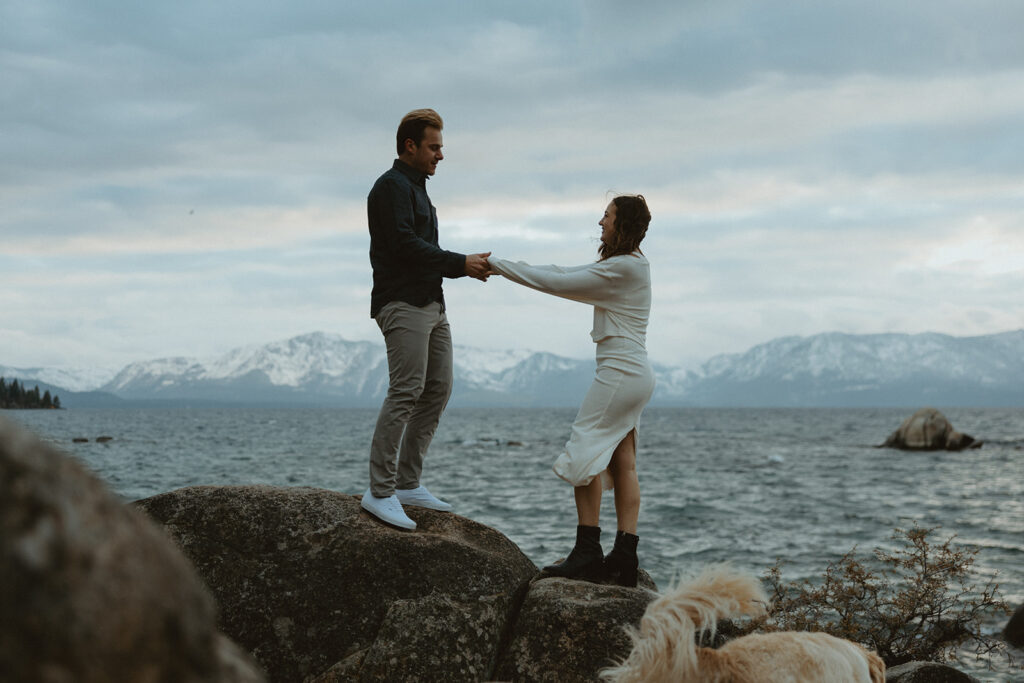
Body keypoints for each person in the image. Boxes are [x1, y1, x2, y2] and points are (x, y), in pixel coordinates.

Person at [487, 195, 654, 586]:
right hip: (635, 371)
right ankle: (625, 556)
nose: (600, 222)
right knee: (622, 460)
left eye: (607, 216)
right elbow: (565, 273)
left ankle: (587, 551)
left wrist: (497, 265)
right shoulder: (634, 267)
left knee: (583, 455)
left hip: (619, 372)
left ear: (622, 223)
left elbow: (558, 280)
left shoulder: (621, 270)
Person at [362, 108, 491, 530]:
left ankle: (406, 483)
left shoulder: (419, 190)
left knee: (437, 388)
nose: (440, 155)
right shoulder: (390, 188)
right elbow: (404, 245)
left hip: (432, 304)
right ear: (410, 146)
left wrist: (456, 270)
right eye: (434, 147)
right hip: (401, 303)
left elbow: (420, 247)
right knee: (406, 391)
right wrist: (461, 263)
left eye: (441, 147)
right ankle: (379, 491)